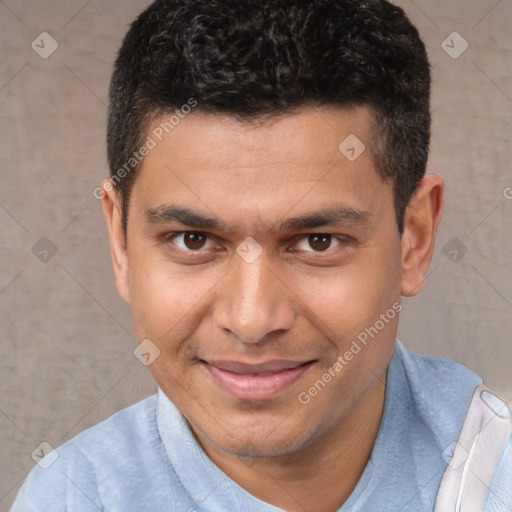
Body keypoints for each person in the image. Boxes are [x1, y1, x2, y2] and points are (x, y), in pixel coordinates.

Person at [10, 0, 512, 510]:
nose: (251, 321)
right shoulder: (70, 498)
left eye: (318, 241)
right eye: (193, 240)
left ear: (416, 239)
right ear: (120, 243)